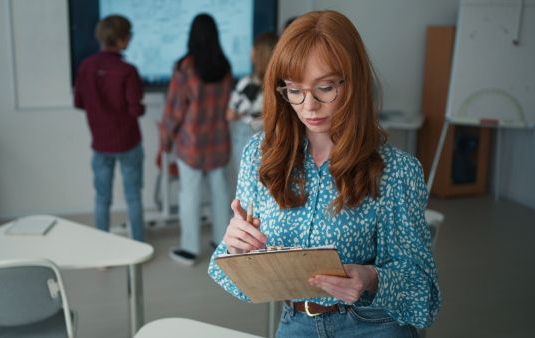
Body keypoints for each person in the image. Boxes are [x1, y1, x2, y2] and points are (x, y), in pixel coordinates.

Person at [208, 10, 441, 337]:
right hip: (295, 322)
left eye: (325, 88)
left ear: (354, 81)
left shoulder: (394, 171)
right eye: (294, 90)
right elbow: (239, 279)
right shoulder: (260, 156)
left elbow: (422, 295)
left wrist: (371, 278)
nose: (309, 107)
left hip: (372, 324)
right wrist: (236, 250)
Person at [161, 14, 233, 265]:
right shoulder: (225, 65)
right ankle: (223, 243)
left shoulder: (185, 67)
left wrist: (166, 139)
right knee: (221, 193)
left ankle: (189, 249)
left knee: (189, 195)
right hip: (219, 142)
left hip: (191, 144)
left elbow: (174, 110)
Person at [74, 15, 146, 242]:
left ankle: (102, 250)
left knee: (102, 198)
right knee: (133, 196)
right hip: (128, 143)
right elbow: (136, 111)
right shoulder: (128, 70)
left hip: (100, 144)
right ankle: (138, 246)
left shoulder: (85, 67)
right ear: (122, 40)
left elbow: (79, 103)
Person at [226, 31, 279, 173]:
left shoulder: (248, 85)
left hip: (247, 134)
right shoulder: (280, 83)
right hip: (273, 135)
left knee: (247, 183)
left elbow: (230, 115)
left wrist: (241, 115)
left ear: (258, 54)